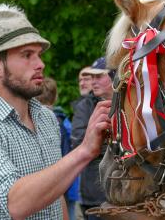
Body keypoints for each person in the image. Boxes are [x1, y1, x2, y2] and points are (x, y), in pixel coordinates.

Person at [0, 3, 111, 220]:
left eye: (38, 54)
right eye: (27, 55)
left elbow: (56, 195)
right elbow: (14, 204)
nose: (40, 64)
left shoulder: (46, 118)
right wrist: (84, 151)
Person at [71, 57, 114, 220]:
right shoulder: (86, 106)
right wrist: (116, 144)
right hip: (95, 193)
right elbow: (79, 142)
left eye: (98, 76)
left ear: (112, 76)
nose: (93, 82)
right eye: (92, 77)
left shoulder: (128, 101)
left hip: (126, 194)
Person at [35, 77, 79, 220]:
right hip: (64, 185)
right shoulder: (62, 120)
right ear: (55, 97)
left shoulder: (52, 121)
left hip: (54, 186)